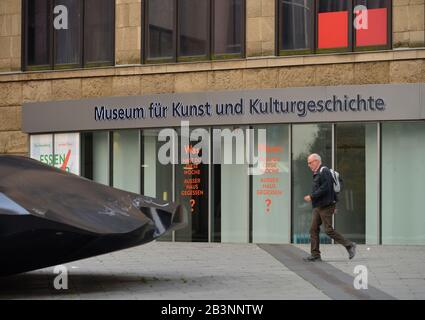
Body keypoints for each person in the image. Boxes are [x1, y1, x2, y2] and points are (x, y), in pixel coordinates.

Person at [303, 153, 356, 262]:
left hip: (326, 206)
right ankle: (315, 254)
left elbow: (326, 188)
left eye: (310, 162)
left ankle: (349, 245)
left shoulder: (324, 171)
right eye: (308, 163)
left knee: (328, 230)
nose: (309, 165)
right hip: (319, 206)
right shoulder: (317, 173)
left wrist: (312, 196)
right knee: (313, 229)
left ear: (317, 161)